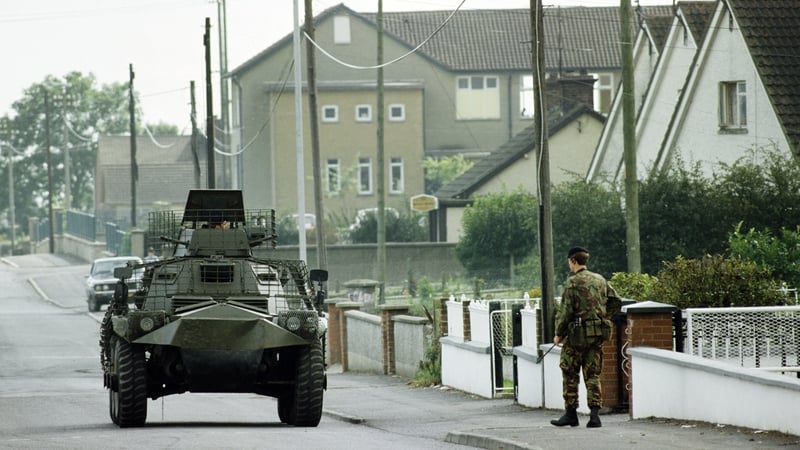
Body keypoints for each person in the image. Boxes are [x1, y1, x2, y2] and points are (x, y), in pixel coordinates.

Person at [550, 246, 611, 428]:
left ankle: (571, 414)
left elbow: (566, 311)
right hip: (596, 335)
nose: (569, 265)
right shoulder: (600, 280)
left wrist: (559, 334)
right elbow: (615, 300)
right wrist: (602, 316)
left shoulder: (573, 282)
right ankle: (594, 416)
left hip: (576, 337)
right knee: (593, 375)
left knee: (569, 372)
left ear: (574, 261)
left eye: (569, 262)